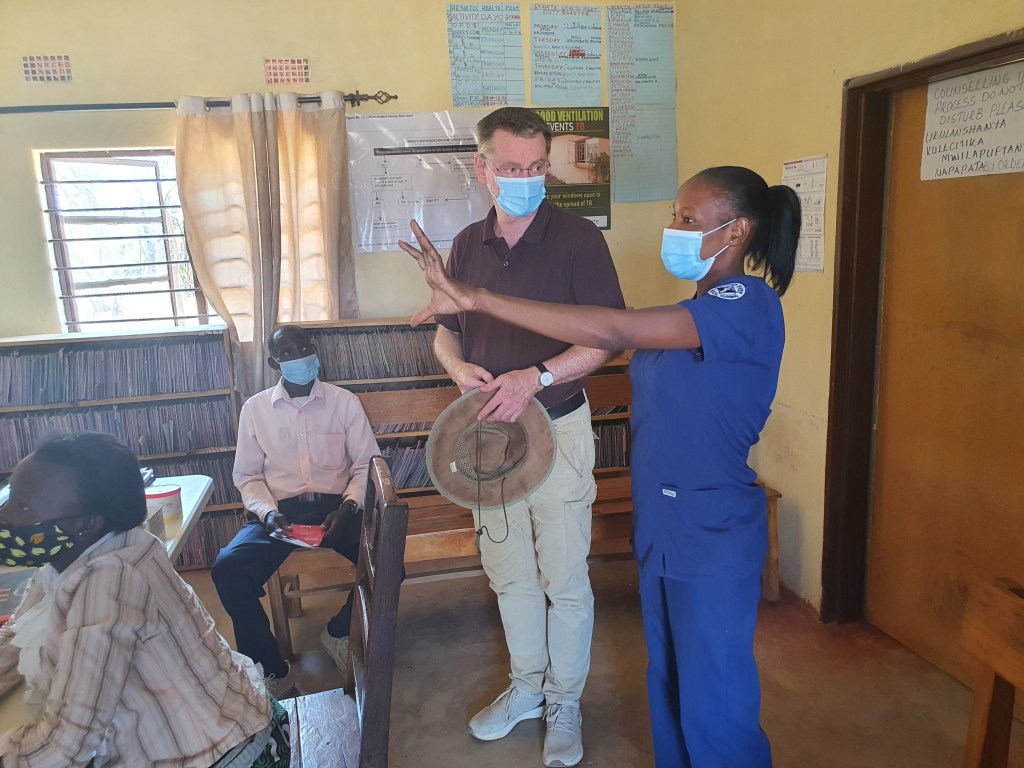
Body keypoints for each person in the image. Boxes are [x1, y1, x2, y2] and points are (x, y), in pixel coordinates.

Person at [400, 165, 800, 768]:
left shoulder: (746, 303)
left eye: (689, 218)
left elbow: (611, 328)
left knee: (715, 699)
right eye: (675, 214)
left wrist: (478, 299)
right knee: (670, 682)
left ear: (737, 231)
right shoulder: (691, 308)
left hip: (709, 526)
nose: (674, 228)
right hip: (663, 521)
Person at [423, 106, 626, 768]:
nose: (526, 180)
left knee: (563, 577)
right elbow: (446, 332)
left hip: (558, 428)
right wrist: (458, 369)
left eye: (537, 167)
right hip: (489, 441)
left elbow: (606, 339)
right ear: (482, 169)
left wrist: (536, 377)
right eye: (511, 168)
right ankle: (528, 689)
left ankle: (565, 701)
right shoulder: (466, 244)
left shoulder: (578, 241)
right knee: (508, 575)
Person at [0, 432, 288, 768]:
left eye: (22, 505)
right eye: (9, 496)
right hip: (227, 729)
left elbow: (64, 746)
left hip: (224, 755)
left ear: (85, 524)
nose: (4, 514)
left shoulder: (109, 581)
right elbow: (20, 633)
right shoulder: (83, 553)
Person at [212, 324, 379, 698]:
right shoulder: (255, 410)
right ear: (274, 363)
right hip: (279, 514)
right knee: (229, 568)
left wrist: (350, 506)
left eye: (304, 347)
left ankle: (339, 631)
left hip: (338, 509)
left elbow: (365, 465)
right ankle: (270, 668)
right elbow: (248, 476)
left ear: (315, 350)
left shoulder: (344, 402)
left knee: (387, 559)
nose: (300, 357)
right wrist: (267, 513)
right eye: (287, 353)